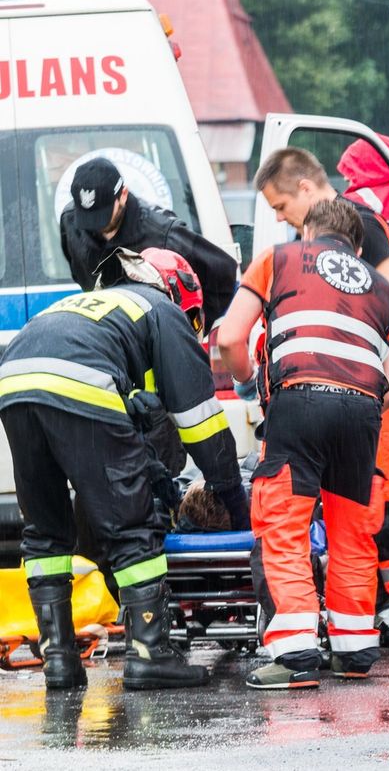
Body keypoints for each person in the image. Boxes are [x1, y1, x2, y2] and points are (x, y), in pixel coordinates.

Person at [0, 248, 247, 691]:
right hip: (76, 377)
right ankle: (152, 655)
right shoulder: (162, 310)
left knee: (46, 529)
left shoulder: (98, 305)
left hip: (14, 379)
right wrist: (232, 494)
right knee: (132, 525)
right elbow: (201, 421)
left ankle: (59, 660)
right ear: (176, 291)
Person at [257, 146, 389, 645]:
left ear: (304, 188)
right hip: (376, 368)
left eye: (281, 207)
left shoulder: (360, 223)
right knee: (372, 488)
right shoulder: (344, 232)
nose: (282, 220)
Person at [220, 197, 389, 690]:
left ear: (307, 233)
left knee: (283, 526)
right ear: (359, 246)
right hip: (362, 411)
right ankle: (353, 650)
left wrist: (249, 380)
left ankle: (296, 658)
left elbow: (229, 338)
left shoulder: (276, 261)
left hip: (297, 402)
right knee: (352, 532)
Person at [59, 157, 239, 325]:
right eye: (88, 217)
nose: (94, 226)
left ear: (123, 194)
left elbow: (224, 276)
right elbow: (79, 273)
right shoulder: (71, 222)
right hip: (106, 338)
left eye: (102, 215)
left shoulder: (163, 234)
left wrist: (190, 329)